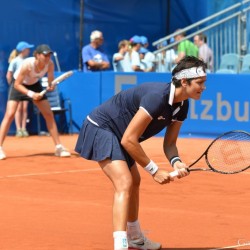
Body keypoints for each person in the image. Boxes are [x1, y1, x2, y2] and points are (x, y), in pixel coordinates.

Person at [75, 56, 207, 250]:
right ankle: (120, 245)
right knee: (125, 182)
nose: (203, 87)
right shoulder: (157, 97)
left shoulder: (182, 105)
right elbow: (129, 140)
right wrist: (154, 170)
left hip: (121, 134)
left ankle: (135, 238)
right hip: (101, 127)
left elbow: (170, 144)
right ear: (184, 82)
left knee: (134, 181)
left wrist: (176, 162)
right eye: (200, 83)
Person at [0, 44, 71, 160]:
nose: (48, 57)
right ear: (37, 55)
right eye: (45, 55)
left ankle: (59, 147)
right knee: (10, 114)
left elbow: (50, 80)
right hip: (18, 85)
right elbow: (17, 84)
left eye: (49, 55)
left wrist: (50, 86)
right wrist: (32, 95)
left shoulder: (50, 64)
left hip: (35, 85)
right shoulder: (27, 65)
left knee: (48, 114)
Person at [6, 41, 34, 137]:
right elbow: (9, 74)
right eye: (28, 49)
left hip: (26, 87)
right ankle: (18, 130)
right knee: (17, 109)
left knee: (24, 108)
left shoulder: (28, 60)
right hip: (17, 87)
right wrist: (12, 86)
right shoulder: (15, 61)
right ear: (23, 50)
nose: (29, 50)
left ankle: (23, 128)